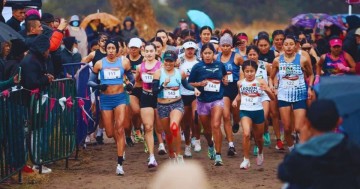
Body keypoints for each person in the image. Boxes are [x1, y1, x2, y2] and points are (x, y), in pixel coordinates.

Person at [278, 99, 360, 189]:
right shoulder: (351, 149)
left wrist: (302, 143)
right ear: (339, 121)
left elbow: (284, 173)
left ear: (307, 123)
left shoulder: (302, 155)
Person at [88, 39, 134, 176]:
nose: (111, 51)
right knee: (109, 132)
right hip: (106, 99)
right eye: (109, 48)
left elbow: (131, 78)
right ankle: (121, 142)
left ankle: (119, 163)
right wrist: (98, 86)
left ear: (118, 49)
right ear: (105, 49)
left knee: (119, 128)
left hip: (120, 98)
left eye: (114, 48)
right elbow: (90, 81)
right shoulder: (99, 64)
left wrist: (130, 84)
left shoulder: (124, 62)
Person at [269, 35, 314, 152]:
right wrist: (274, 87)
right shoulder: (277, 60)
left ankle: (300, 140)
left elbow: (311, 74)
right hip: (284, 94)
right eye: (286, 44)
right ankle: (291, 148)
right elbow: (271, 76)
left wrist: (309, 88)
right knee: (288, 128)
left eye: (291, 44)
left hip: (300, 93)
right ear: (282, 46)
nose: (288, 47)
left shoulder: (302, 59)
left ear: (296, 46)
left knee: (298, 127)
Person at [188, 43, 228, 166]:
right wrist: (199, 84)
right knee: (206, 130)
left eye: (210, 53)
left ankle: (218, 155)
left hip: (217, 99)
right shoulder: (197, 67)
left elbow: (225, 76)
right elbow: (190, 83)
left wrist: (225, 80)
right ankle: (210, 145)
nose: (207, 55)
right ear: (201, 54)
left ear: (213, 54)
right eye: (205, 53)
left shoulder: (220, 65)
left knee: (216, 125)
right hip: (202, 101)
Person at [152, 50, 196, 163]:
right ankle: (171, 154)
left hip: (177, 104)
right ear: (163, 61)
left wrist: (195, 89)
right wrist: (163, 85)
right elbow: (154, 91)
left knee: (174, 127)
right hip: (162, 105)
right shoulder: (158, 73)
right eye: (166, 60)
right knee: (167, 133)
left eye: (171, 61)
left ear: (175, 61)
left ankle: (179, 155)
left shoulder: (180, 73)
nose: (168, 63)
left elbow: (186, 85)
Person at [233, 60, 275, 169]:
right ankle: (246, 160)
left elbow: (273, 98)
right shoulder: (240, 83)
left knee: (259, 138)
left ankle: (260, 152)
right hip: (245, 111)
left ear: (255, 71)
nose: (249, 73)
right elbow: (240, 95)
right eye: (247, 71)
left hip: (258, 111)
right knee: (246, 134)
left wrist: (267, 90)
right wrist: (235, 100)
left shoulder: (261, 82)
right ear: (244, 72)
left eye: (252, 71)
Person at [242, 45, 285, 151]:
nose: (252, 56)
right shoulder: (244, 67)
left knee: (263, 117)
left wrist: (273, 86)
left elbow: (273, 75)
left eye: (254, 54)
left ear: (258, 54)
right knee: (251, 122)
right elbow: (241, 82)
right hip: (249, 96)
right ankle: (257, 141)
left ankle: (263, 134)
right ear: (247, 55)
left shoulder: (265, 65)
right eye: (250, 54)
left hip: (263, 95)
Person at [135, 43, 163, 168]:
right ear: (143, 53)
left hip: (159, 98)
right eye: (147, 51)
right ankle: (152, 157)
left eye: (151, 51)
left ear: (156, 52)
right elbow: (137, 81)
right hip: (145, 97)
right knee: (148, 126)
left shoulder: (161, 66)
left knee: (160, 126)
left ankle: (167, 147)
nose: (149, 53)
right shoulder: (139, 67)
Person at [215, 34, 244, 156]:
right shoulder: (216, 58)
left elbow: (245, 69)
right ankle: (231, 145)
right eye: (223, 45)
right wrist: (221, 79)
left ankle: (236, 122)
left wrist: (241, 83)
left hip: (235, 88)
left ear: (231, 46)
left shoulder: (237, 57)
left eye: (228, 45)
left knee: (236, 114)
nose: (225, 48)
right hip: (224, 89)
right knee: (226, 116)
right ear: (220, 46)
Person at [177, 39, 201, 157]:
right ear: (184, 50)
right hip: (182, 93)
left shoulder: (199, 62)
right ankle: (187, 145)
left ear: (195, 50)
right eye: (188, 49)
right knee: (185, 123)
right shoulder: (179, 61)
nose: (190, 51)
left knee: (195, 116)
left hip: (196, 94)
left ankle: (197, 139)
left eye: (192, 49)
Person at [126, 38, 144, 143]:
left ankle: (138, 129)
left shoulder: (143, 60)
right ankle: (136, 129)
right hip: (131, 89)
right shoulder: (125, 60)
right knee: (135, 111)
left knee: (141, 112)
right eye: (131, 47)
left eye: (135, 48)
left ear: (140, 48)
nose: (133, 50)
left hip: (143, 88)